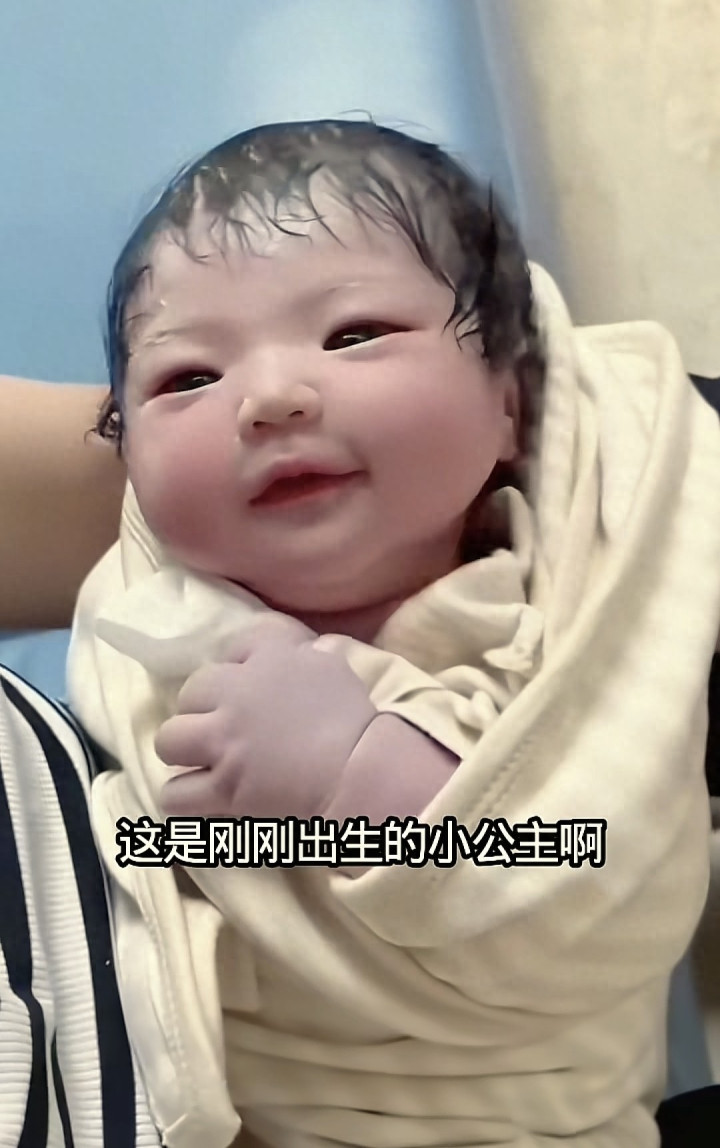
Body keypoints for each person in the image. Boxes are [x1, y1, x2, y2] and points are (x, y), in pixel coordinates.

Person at [58, 117, 720, 1148]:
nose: (270, 399)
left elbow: (578, 886)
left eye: (354, 333)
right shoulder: (144, 631)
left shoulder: (548, 623)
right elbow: (145, 854)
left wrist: (354, 766)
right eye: (188, 379)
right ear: (127, 456)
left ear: (512, 404)